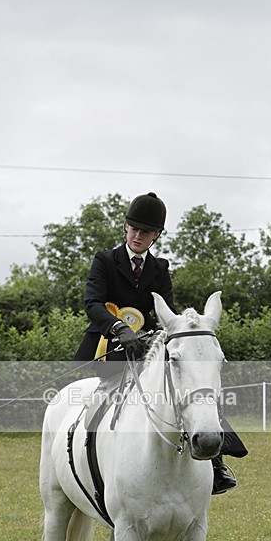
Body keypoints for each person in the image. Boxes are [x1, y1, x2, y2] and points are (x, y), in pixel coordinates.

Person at [74, 191, 246, 493]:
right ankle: (88, 459)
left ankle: (215, 463)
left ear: (156, 235)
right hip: (110, 351)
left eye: (146, 231)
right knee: (102, 401)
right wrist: (118, 328)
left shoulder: (160, 268)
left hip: (147, 350)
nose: (138, 235)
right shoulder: (104, 261)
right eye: (134, 228)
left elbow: (164, 313)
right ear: (125, 227)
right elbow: (93, 303)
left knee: (192, 391)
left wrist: (153, 336)